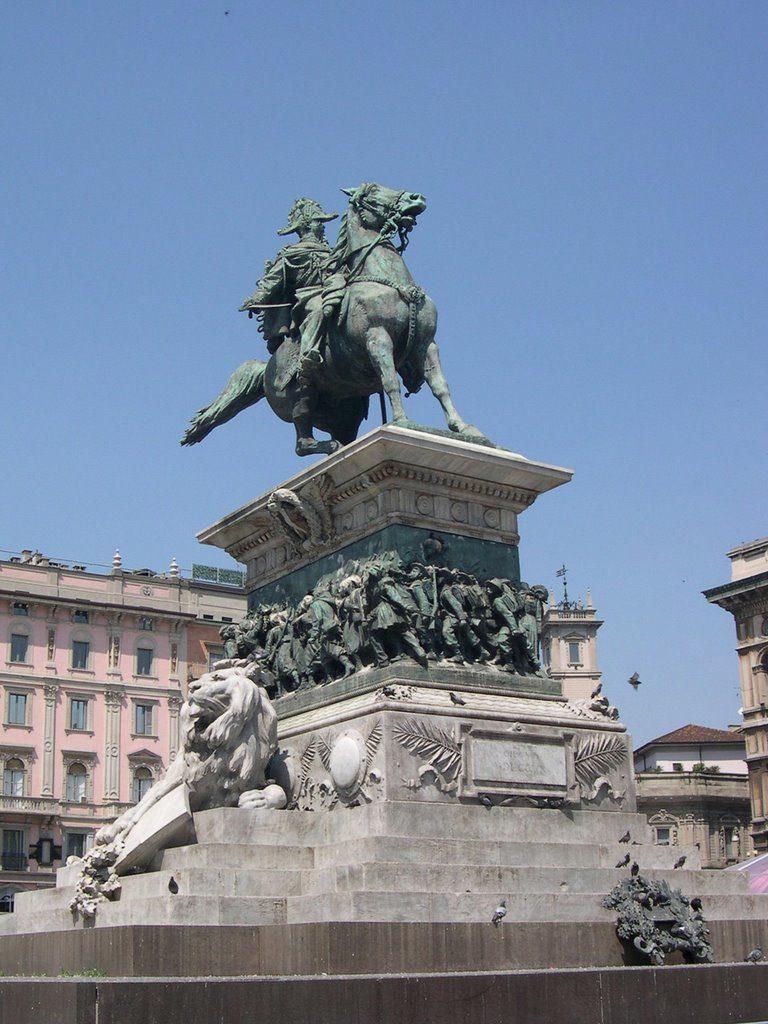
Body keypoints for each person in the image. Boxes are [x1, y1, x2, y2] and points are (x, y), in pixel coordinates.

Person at [239, 197, 338, 387]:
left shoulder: (333, 252)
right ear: (307, 225)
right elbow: (271, 281)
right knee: (318, 308)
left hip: (335, 294)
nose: (323, 226)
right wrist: (257, 298)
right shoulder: (291, 254)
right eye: (319, 221)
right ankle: (308, 358)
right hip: (308, 299)